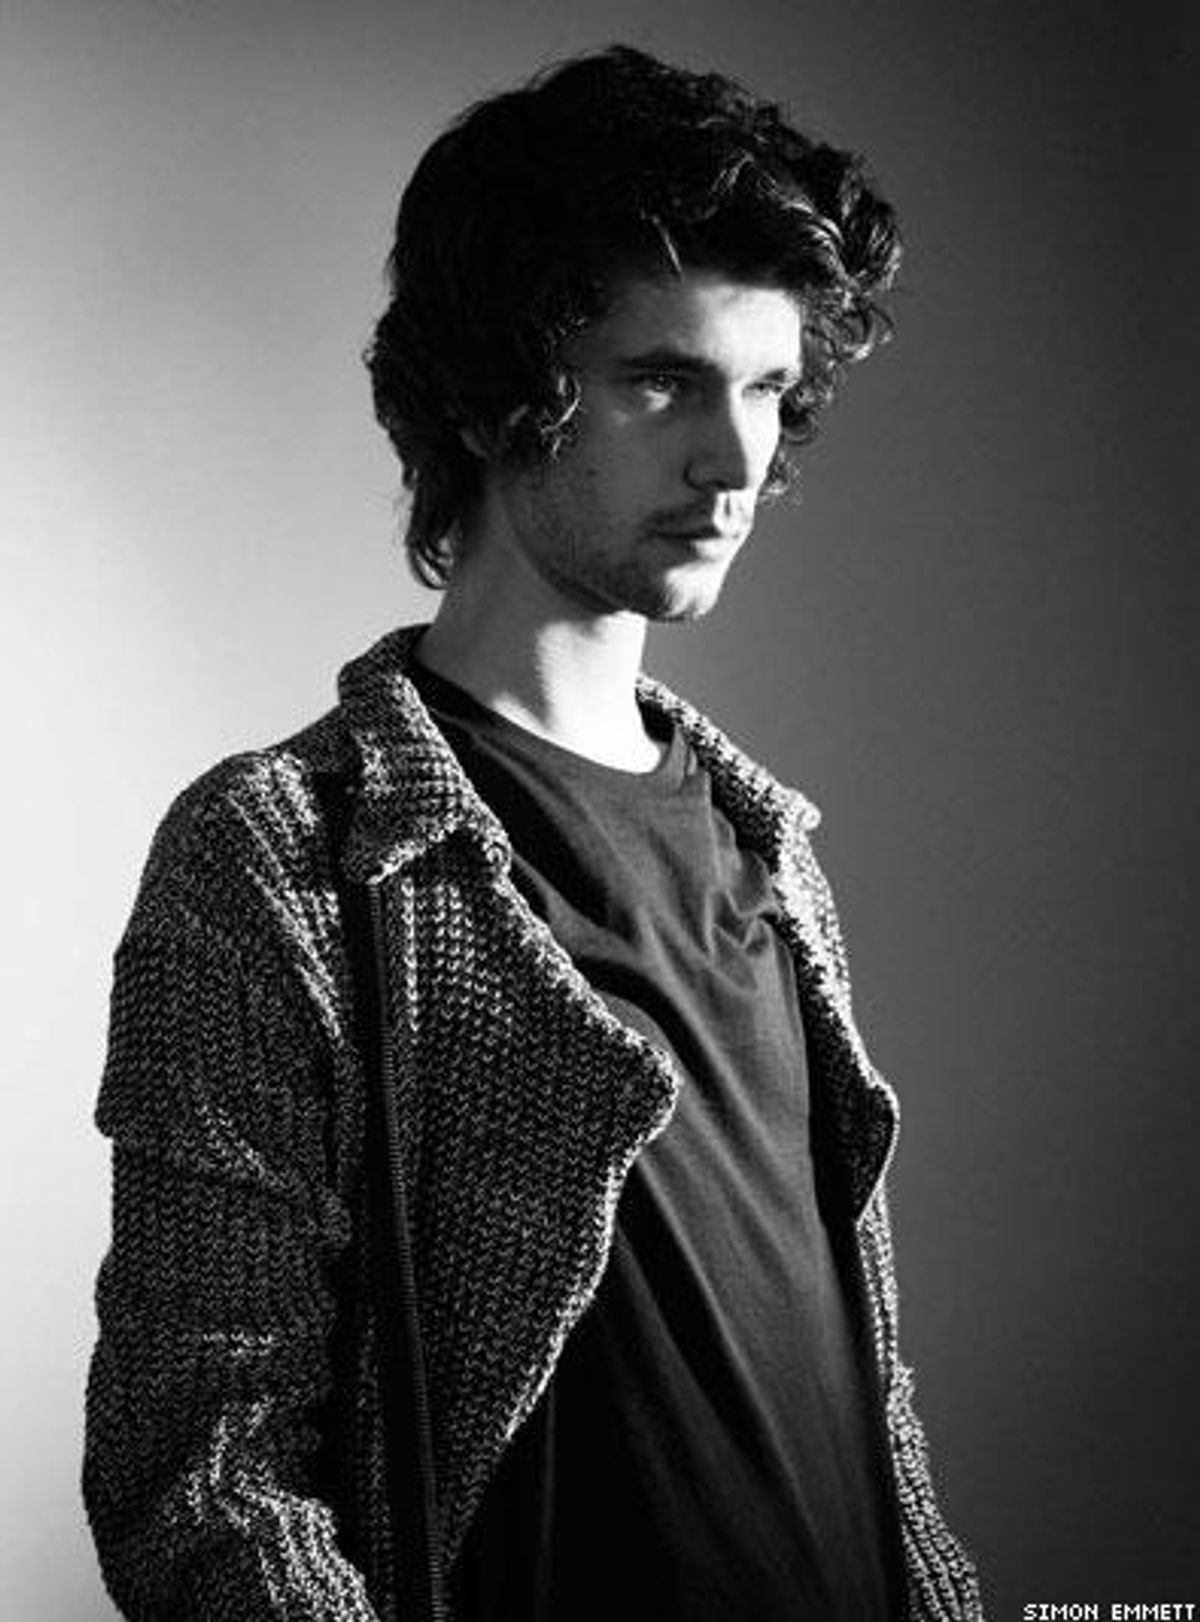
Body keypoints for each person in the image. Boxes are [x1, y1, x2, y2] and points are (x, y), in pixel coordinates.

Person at [83, 44, 983, 1622]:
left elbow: (869, 1395)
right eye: (664, 381)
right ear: (501, 392)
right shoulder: (287, 857)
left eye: (767, 390)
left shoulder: (771, 850)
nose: (736, 460)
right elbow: (202, 1469)